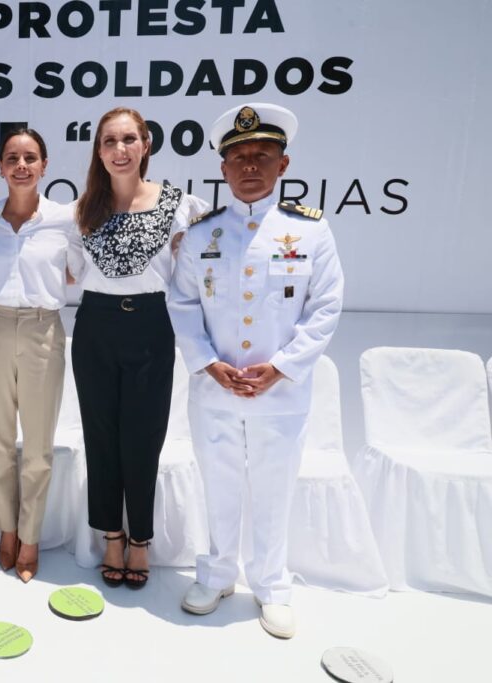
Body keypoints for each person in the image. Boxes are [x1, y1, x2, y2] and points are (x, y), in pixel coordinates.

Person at [168, 103, 343, 638]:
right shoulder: (203, 234)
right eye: (238, 157)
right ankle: (218, 574)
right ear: (222, 169)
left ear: (283, 164)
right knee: (218, 481)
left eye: (261, 156)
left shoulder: (309, 232)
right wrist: (209, 365)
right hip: (215, 387)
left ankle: (271, 586)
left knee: (273, 486)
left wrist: (282, 367)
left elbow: (327, 306)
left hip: (279, 392)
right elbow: (182, 303)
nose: (249, 166)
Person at [72, 107, 209, 590]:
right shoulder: (84, 208)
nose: (120, 150)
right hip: (95, 328)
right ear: (99, 151)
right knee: (101, 435)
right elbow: (70, 272)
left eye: (129, 139)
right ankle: (112, 534)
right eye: (109, 141)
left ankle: (141, 540)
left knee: (144, 438)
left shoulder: (180, 204)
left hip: (152, 325)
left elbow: (193, 277)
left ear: (146, 145)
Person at [0, 129, 83, 583]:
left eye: (30, 157)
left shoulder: (65, 219)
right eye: (12, 157)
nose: (21, 165)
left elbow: (80, 270)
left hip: (42, 330)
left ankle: (31, 537)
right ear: (0, 166)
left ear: (44, 165)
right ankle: (7, 529)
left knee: (37, 446)